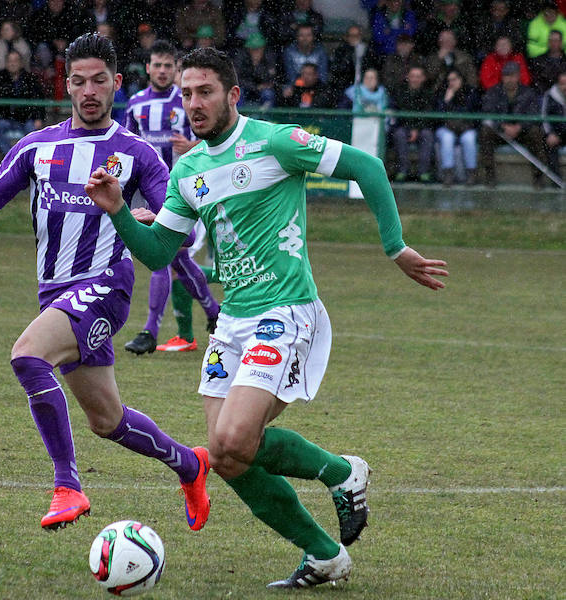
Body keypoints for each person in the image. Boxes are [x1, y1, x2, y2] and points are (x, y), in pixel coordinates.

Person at [85, 45, 448, 590]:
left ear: (232, 94)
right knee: (230, 459)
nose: (193, 103)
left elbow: (367, 165)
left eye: (205, 91)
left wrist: (395, 247)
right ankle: (325, 554)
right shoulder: (188, 169)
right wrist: (116, 211)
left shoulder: (276, 142)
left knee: (231, 439)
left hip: (286, 310)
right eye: (186, 93)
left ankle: (339, 472)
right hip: (231, 321)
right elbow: (160, 251)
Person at [0, 33, 211, 533]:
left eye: (100, 81)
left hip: (105, 286)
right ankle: (191, 466)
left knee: (27, 355)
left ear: (117, 85)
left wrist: (146, 219)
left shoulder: (136, 154)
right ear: (67, 85)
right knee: (108, 421)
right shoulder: (39, 145)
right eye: (80, 81)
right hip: (56, 294)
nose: (89, 91)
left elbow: (182, 223)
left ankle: (68, 487)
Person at [123, 39, 221, 354]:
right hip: (146, 191)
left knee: (164, 254)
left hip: (182, 190)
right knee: (175, 257)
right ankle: (214, 313)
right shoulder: (136, 104)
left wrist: (193, 147)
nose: (163, 71)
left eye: (169, 65)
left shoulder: (189, 101)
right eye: (158, 65)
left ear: (176, 69)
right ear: (148, 68)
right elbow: (125, 147)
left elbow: (218, 141)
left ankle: (150, 331)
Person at [479, 61, 547, 188]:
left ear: (518, 76)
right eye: (506, 76)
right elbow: (487, 112)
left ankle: (538, 177)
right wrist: (503, 126)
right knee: (485, 131)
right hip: (501, 133)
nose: (509, 79)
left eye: (513, 75)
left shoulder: (528, 93)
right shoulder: (493, 92)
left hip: (522, 132)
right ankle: (489, 176)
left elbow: (534, 116)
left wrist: (519, 127)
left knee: (536, 132)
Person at [0, 49, 45, 154]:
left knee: (33, 132)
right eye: (10, 61)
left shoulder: (30, 79)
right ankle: (11, 156)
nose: (12, 63)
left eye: (15, 61)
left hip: (25, 119)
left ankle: (24, 159)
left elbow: (38, 100)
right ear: (6, 63)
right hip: (5, 119)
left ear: (21, 63)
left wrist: (38, 118)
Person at [434, 68, 480, 185]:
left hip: (466, 128)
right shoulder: (442, 93)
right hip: (447, 128)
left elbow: (470, 111)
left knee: (469, 139)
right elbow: (438, 116)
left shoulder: (471, 92)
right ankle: (448, 174)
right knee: (447, 138)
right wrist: (447, 101)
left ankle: (471, 173)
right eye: (449, 80)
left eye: (454, 79)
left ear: (461, 79)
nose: (451, 83)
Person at [390, 65, 435, 182]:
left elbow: (428, 115)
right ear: (407, 77)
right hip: (403, 127)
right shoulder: (400, 92)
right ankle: (402, 171)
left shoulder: (428, 93)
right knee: (399, 134)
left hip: (422, 128)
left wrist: (417, 129)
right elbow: (398, 113)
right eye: (413, 76)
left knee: (427, 135)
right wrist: (410, 128)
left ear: (423, 78)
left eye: (418, 76)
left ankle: (423, 172)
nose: (415, 79)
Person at [541, 69, 566, 179]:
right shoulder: (549, 96)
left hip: (562, 134)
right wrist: (550, 133)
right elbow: (544, 117)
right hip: (555, 134)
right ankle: (556, 182)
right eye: (562, 84)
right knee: (549, 145)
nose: (565, 87)